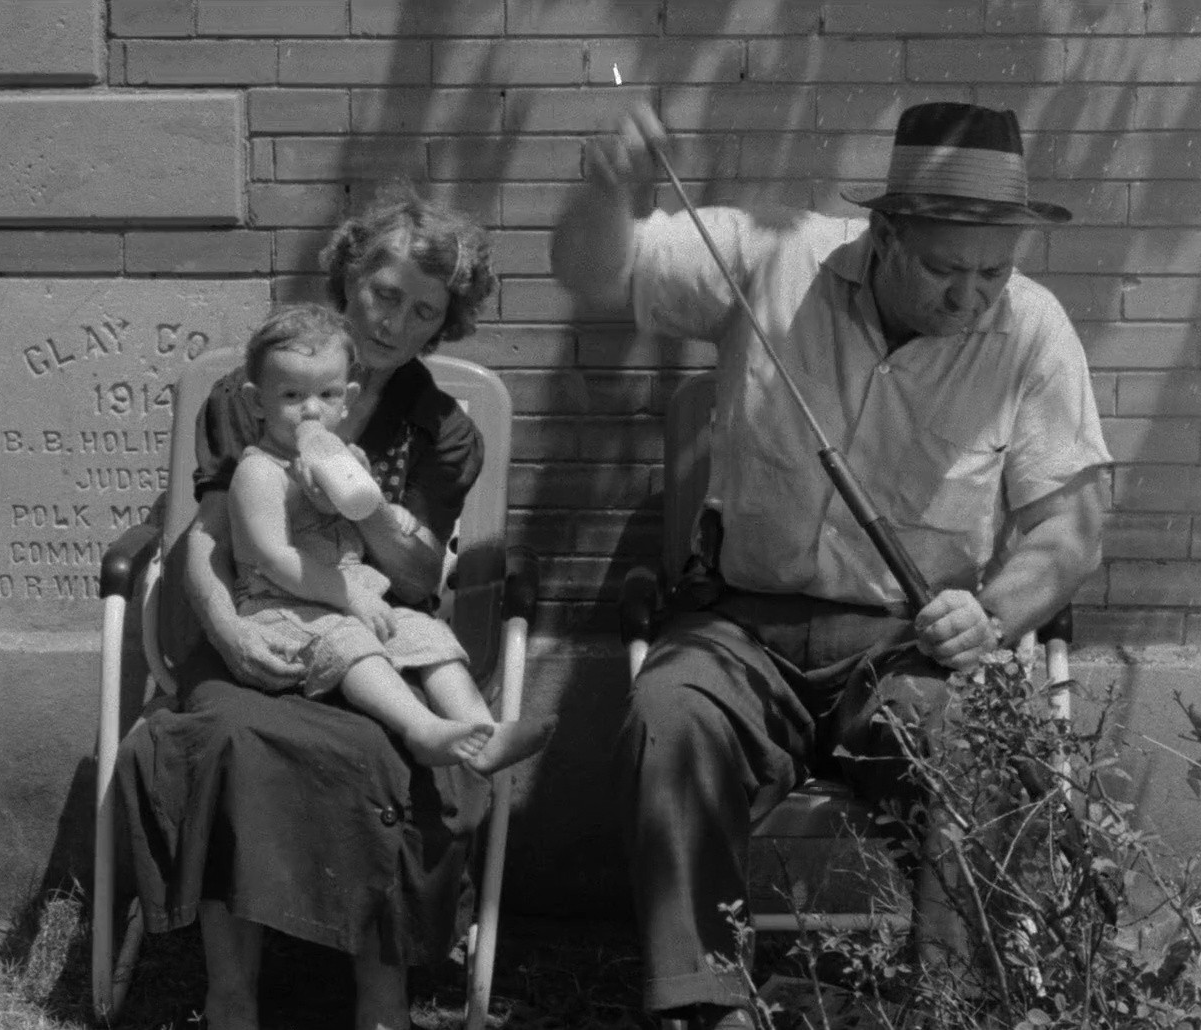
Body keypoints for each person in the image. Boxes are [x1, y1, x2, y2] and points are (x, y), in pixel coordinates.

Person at [552, 101, 1110, 1029]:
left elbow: (1070, 525)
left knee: (973, 754)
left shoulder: (1033, 332)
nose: (972, 296)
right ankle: (708, 1005)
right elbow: (594, 271)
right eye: (945, 268)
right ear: (883, 232)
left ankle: (947, 1008)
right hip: (743, 621)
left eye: (994, 270)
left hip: (908, 645)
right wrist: (607, 190)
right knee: (667, 714)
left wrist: (996, 611)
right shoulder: (775, 256)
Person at [115, 189, 502, 1030]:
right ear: (349, 278)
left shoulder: (440, 430)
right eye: (384, 293)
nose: (395, 322)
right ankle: (231, 996)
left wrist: (364, 508)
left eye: (422, 311)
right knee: (224, 737)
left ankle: (380, 1000)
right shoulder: (253, 394)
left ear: (441, 327)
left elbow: (420, 575)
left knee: (384, 757)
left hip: (367, 637)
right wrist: (227, 630)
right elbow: (209, 540)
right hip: (253, 624)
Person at [228, 303, 556, 772]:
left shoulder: (344, 458)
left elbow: (355, 509)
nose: (312, 410)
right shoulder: (258, 472)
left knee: (429, 635)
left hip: (349, 599)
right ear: (258, 401)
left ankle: (484, 733)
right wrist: (348, 598)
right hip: (280, 607)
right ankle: (420, 729)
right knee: (351, 644)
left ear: (348, 398)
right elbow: (275, 557)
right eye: (292, 395)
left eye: (327, 394)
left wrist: (390, 510)